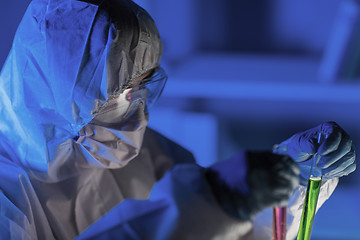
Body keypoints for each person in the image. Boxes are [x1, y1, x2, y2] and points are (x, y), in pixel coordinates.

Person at [0, 0, 355, 239]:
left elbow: (232, 231)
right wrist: (211, 200)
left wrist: (293, 177)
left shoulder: (139, 149)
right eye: (124, 94)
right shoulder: (7, 200)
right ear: (58, 98)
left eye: (144, 88)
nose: (140, 114)